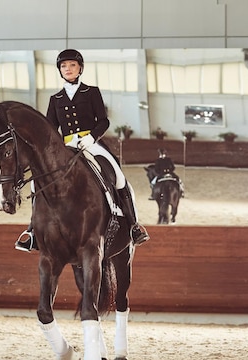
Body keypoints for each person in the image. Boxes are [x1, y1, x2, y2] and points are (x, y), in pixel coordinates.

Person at [15, 49, 150, 252]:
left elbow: (103, 121)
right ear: (60, 71)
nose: (68, 69)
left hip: (91, 143)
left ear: (80, 68)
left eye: (72, 65)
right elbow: (51, 129)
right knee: (37, 181)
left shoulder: (91, 92)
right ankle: (33, 231)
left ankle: (133, 226)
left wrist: (90, 137)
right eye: (63, 66)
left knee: (119, 176)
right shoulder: (56, 98)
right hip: (66, 146)